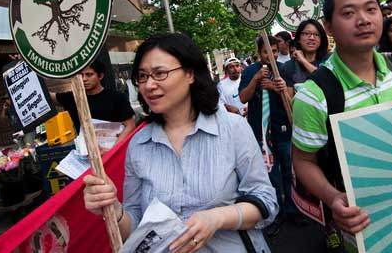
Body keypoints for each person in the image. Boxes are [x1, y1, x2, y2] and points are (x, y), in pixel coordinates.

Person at [83, 34, 277, 252]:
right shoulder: (138, 144)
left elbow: (266, 201)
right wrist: (113, 209)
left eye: (160, 73)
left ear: (190, 74)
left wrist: (219, 217)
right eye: (142, 76)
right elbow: (135, 226)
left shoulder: (233, 128)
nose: (149, 85)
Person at [292, 0, 392, 251]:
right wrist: (333, 197)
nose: (363, 20)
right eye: (348, 13)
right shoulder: (314, 95)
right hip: (367, 228)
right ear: (328, 27)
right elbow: (303, 161)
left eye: (371, 9)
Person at [239, 35, 294, 235]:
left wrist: (279, 89)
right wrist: (255, 80)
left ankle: (292, 208)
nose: (271, 56)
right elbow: (244, 97)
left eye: (274, 51)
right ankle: (275, 213)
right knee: (271, 175)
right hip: (260, 133)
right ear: (259, 53)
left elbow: (292, 99)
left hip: (283, 129)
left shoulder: (284, 70)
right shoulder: (250, 72)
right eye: (266, 52)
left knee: (289, 171)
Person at [50, 60, 136, 147]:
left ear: (100, 76)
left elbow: (130, 125)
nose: (84, 79)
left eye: (89, 75)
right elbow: (49, 97)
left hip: (111, 153)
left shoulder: (116, 97)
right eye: (81, 75)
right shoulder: (74, 98)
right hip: (84, 155)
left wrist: (112, 150)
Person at [281, 19, 330, 97]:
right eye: (306, 33)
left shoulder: (329, 61)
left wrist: (303, 61)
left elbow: (327, 81)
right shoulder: (288, 67)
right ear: (298, 39)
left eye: (317, 34)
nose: (312, 38)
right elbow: (290, 104)